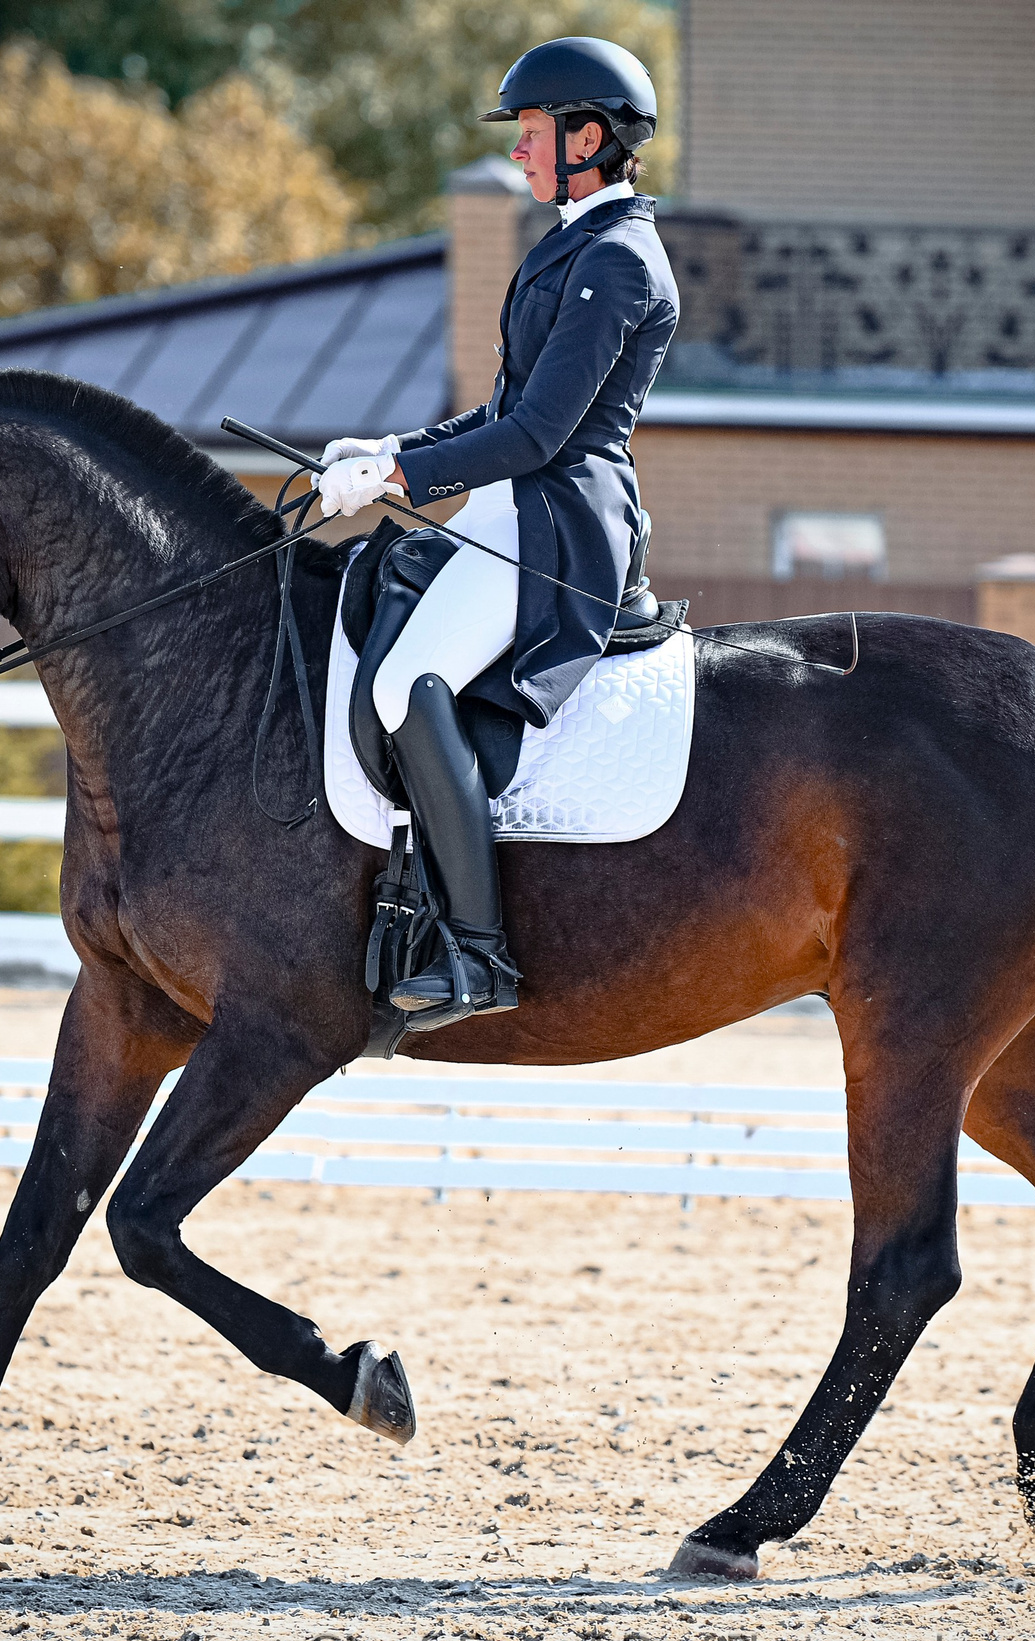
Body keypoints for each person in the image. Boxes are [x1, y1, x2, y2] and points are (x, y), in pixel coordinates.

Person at [317, 35, 680, 1029]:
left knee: (404, 684)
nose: (519, 151)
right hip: (508, 509)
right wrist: (392, 447)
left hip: (556, 526)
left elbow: (539, 434)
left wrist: (397, 479)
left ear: (587, 138)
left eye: (531, 132)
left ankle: (475, 954)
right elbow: (499, 413)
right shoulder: (572, 245)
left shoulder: (617, 261)